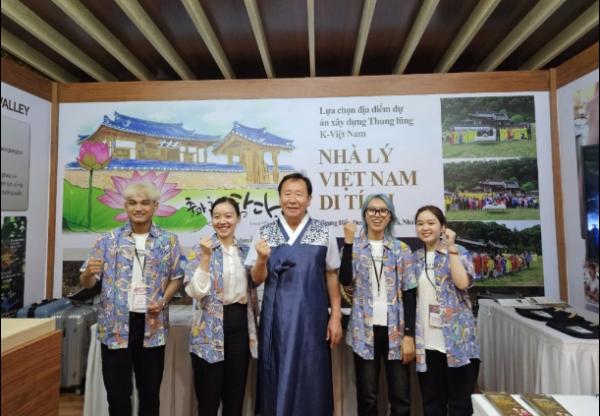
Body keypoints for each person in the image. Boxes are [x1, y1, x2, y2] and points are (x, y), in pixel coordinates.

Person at [80, 181, 184, 416]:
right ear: (125, 206)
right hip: (115, 325)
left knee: (150, 395)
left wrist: (164, 300)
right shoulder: (107, 240)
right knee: (117, 396)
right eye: (133, 203)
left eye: (145, 203)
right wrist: (87, 274)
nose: (139, 208)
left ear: (155, 206)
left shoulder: (168, 241)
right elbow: (88, 282)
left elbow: (177, 278)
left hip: (152, 325)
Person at [245, 172, 342, 416]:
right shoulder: (265, 232)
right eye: (287, 194)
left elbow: (331, 274)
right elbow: (255, 279)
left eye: (299, 194)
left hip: (312, 320)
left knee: (312, 374)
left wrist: (336, 316)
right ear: (279, 198)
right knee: (276, 375)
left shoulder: (324, 232)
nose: (292, 199)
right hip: (276, 320)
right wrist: (262, 259)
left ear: (309, 199)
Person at [338, 194, 417, 416]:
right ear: (365, 214)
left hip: (396, 332)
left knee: (401, 398)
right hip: (364, 332)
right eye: (372, 210)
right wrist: (348, 242)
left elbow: (410, 294)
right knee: (367, 397)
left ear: (390, 216)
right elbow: (345, 280)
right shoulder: (354, 247)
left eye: (383, 210)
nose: (377, 215)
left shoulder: (402, 250)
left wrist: (409, 335)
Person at [184, 197, 259, 416]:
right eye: (217, 216)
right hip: (208, 329)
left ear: (238, 219)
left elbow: (255, 283)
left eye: (228, 216)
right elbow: (195, 292)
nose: (222, 221)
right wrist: (206, 258)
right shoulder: (200, 250)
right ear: (212, 220)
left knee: (234, 399)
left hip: (239, 327)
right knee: (208, 400)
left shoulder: (246, 251)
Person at [413, 205, 480, 416]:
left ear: (443, 227)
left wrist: (451, 248)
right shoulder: (414, 258)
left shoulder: (459, 251)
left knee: (460, 405)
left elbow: (463, 283)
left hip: (458, 343)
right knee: (432, 404)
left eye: (431, 223)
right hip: (427, 344)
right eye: (420, 223)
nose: (425, 227)